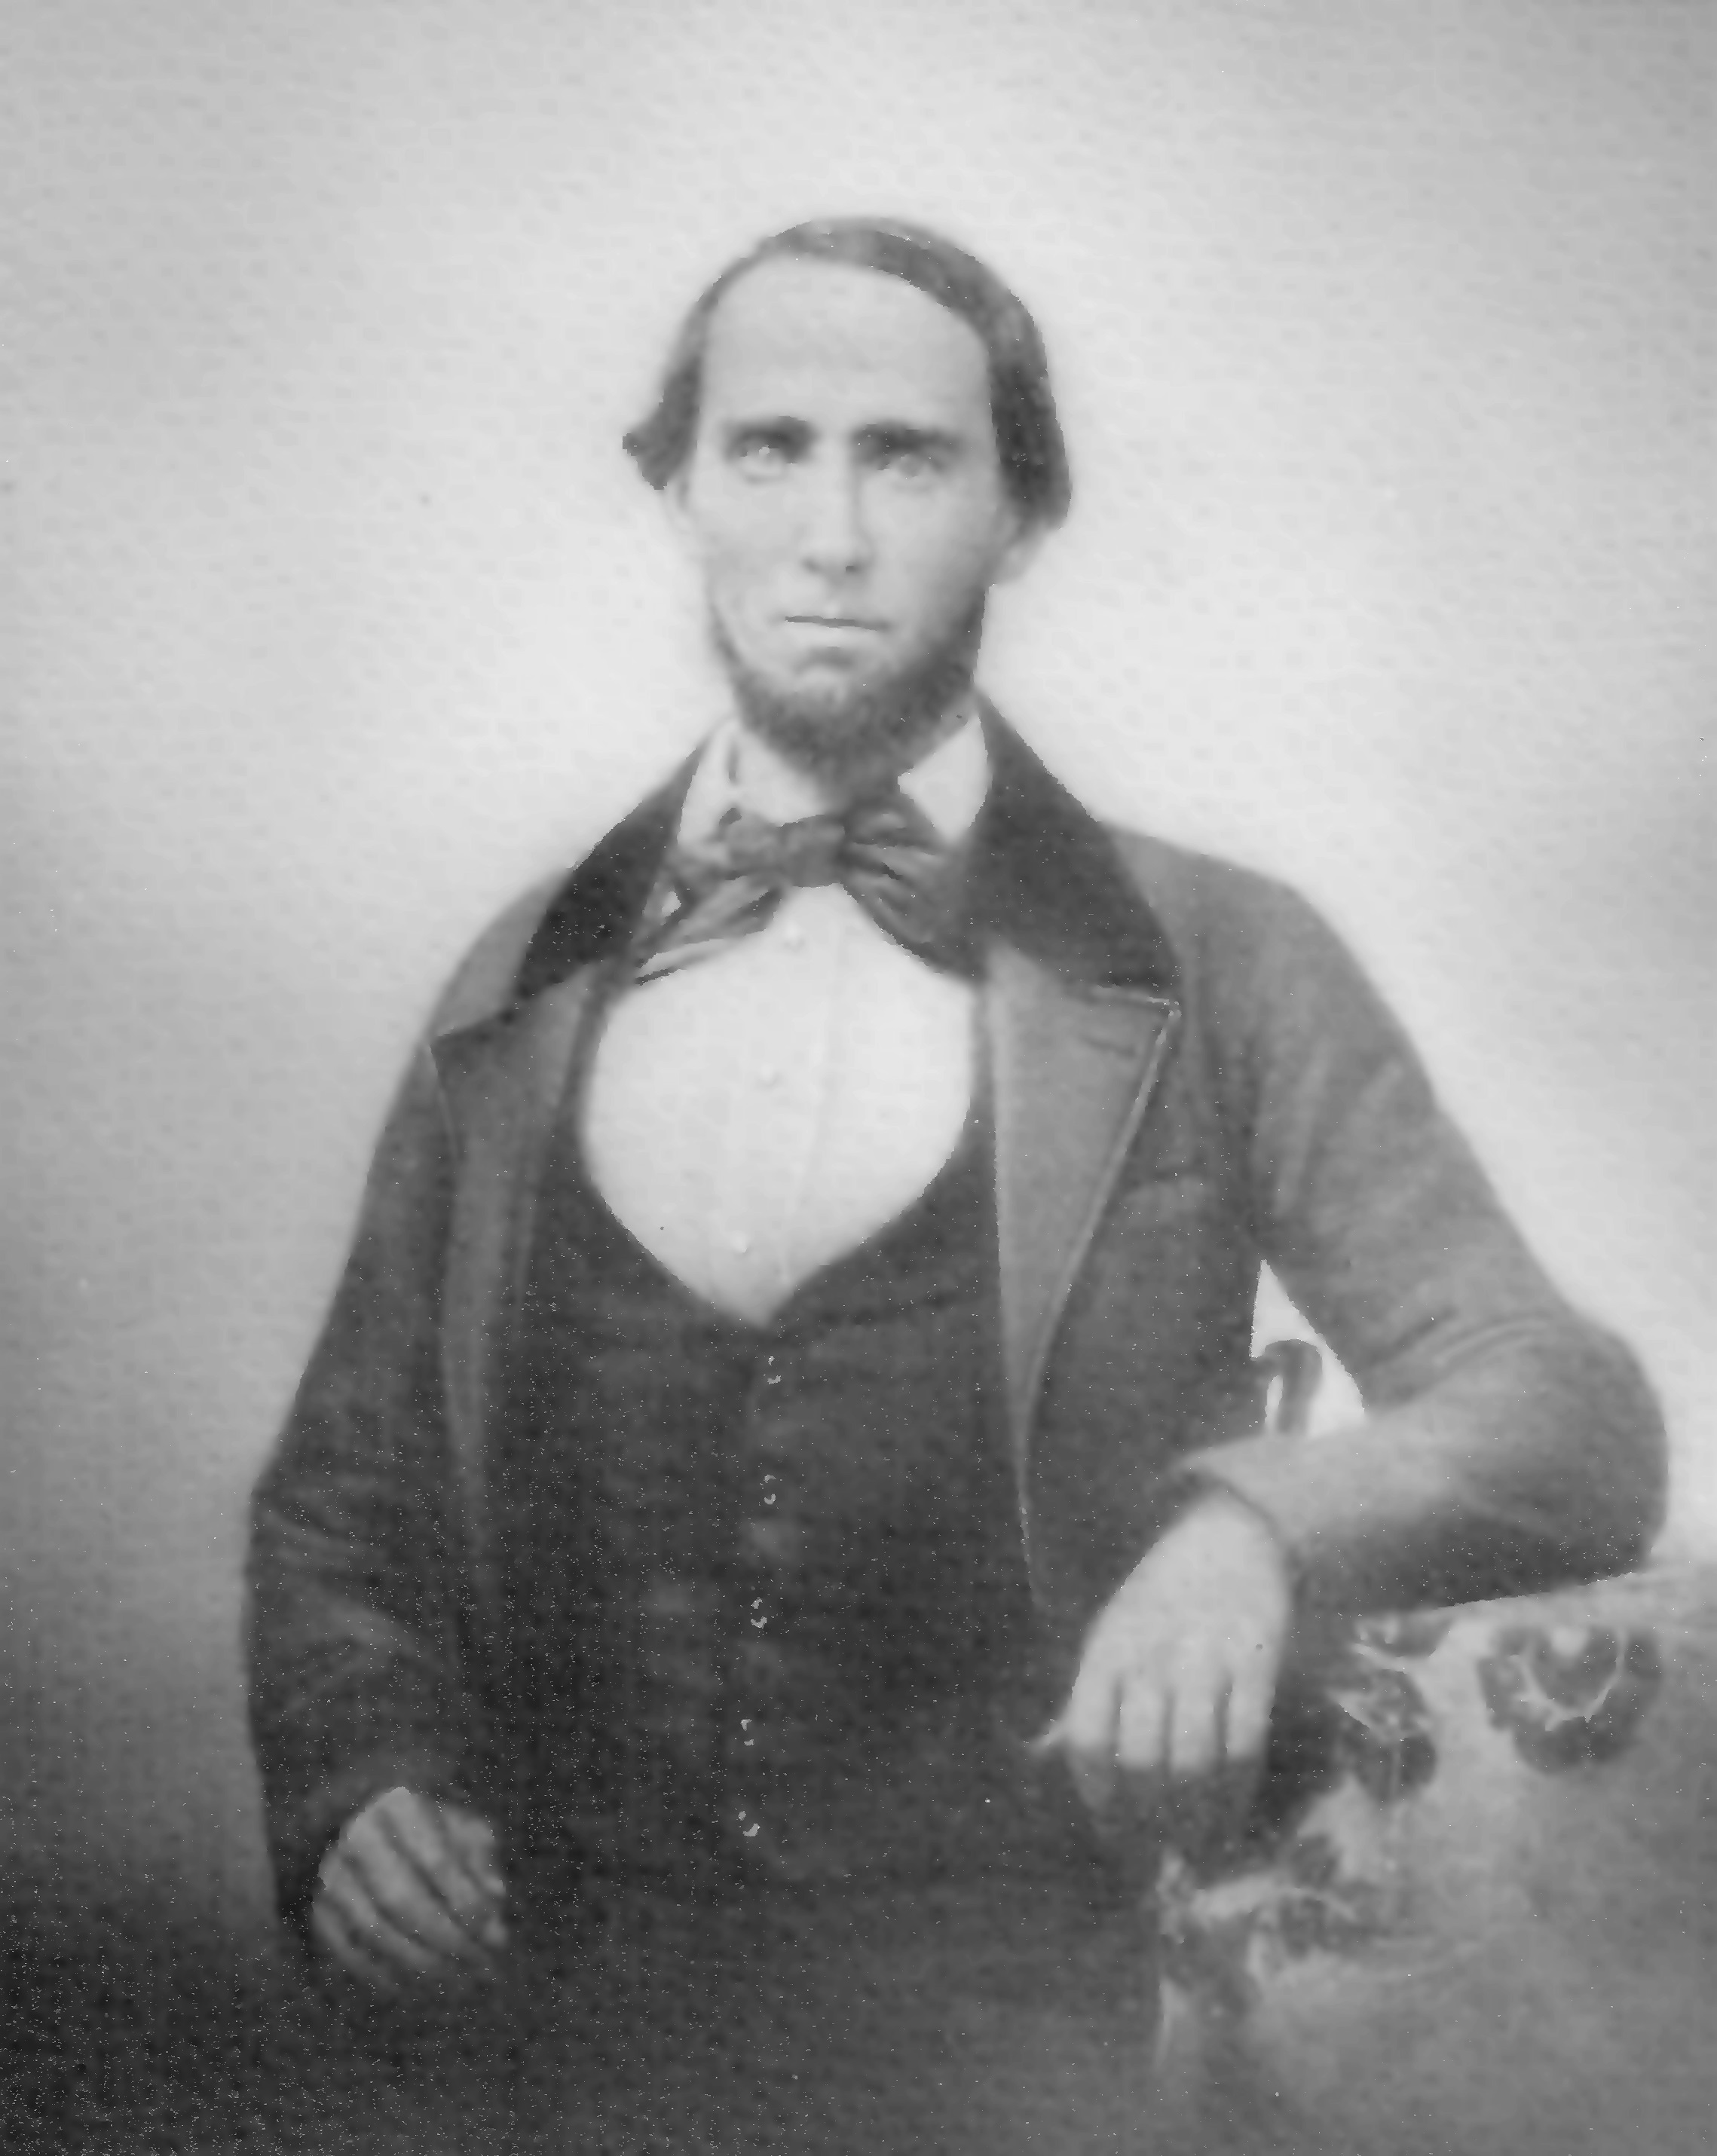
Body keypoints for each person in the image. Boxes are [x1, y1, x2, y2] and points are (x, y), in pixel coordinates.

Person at [245, 217, 1663, 2075]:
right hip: (559, 2029)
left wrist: (1249, 1532)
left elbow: (1565, 1412)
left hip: (1034, 2038)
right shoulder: (521, 983)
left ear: (1019, 515)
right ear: (679, 487)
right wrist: (360, 1777)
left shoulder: (1221, 960)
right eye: (768, 448)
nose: (831, 535)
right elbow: (340, 1506)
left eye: (906, 459)